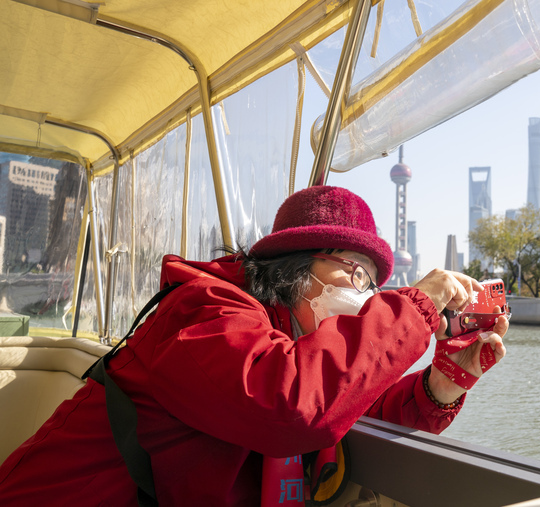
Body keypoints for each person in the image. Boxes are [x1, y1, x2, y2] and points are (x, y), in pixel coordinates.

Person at [0, 186, 507, 506]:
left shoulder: (299, 343)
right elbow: (288, 405)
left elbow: (352, 407)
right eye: (352, 270)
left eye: (373, 282)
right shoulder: (204, 311)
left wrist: (441, 386)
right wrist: (415, 306)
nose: (363, 293)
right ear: (293, 265)